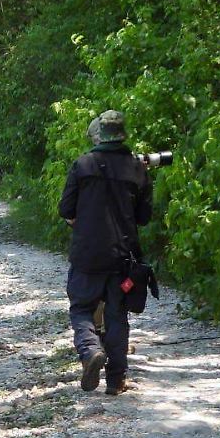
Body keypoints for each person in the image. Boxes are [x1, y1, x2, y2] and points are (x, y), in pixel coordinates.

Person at [58, 110, 152, 396]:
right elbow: (144, 217)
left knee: (82, 307)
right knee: (117, 316)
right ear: (123, 134)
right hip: (123, 256)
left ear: (99, 133)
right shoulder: (138, 168)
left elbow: (65, 209)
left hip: (87, 253)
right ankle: (116, 380)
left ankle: (89, 351)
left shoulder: (83, 164)